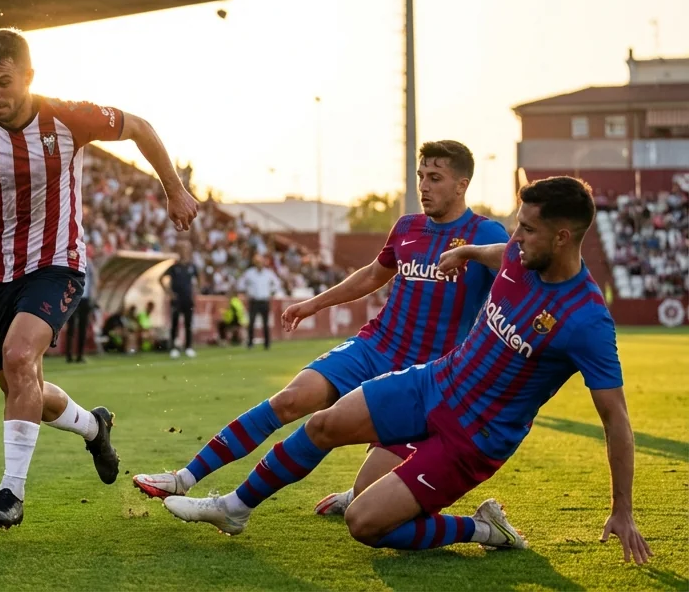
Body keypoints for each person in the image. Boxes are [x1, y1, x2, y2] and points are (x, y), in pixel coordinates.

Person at [162, 177, 653, 566]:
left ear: (562, 237)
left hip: (473, 438)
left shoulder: (586, 320)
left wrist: (623, 510)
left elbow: (617, 421)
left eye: (527, 228)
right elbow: (495, 253)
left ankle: (483, 528)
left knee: (364, 523)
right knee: (323, 424)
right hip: (434, 382)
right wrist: (464, 253)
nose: (516, 236)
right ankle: (234, 509)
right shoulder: (517, 254)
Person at [0, 27, 197, 528]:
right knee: (22, 387)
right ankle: (93, 427)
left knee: (20, 357)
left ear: (29, 76)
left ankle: (11, 494)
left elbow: (140, 127)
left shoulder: (67, 116)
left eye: (3, 82)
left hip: (57, 263)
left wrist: (174, 190)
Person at [136, 142, 506, 524]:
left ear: (461, 185)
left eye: (435, 178)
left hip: (425, 378)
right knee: (290, 400)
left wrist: (473, 253)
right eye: (421, 176)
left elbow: (521, 266)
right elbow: (372, 275)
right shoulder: (408, 227)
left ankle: (361, 496)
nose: (424, 186)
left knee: (368, 498)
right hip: (375, 347)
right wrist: (314, 304)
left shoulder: (484, 232)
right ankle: (184, 478)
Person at [161, 246, 199, 358]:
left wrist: (196, 291)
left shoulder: (191, 267)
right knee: (175, 323)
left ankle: (188, 347)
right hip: (177, 299)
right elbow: (161, 278)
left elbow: (199, 278)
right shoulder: (174, 267)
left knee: (188, 324)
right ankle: (173, 347)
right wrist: (170, 293)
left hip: (188, 299)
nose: (184, 254)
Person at [238, 255, 282, 349]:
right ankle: (250, 343)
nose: (259, 264)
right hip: (254, 300)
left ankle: (267, 343)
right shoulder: (249, 273)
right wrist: (247, 291)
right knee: (251, 322)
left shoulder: (268, 273)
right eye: (257, 262)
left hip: (264, 300)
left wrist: (271, 291)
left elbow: (277, 283)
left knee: (265, 323)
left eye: (261, 262)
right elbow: (241, 284)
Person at [65, 257, 97, 363]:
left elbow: (93, 281)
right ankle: (69, 355)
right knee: (71, 327)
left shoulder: (89, 263)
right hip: (73, 297)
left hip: (85, 299)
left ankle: (80, 355)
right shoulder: (73, 261)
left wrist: (93, 297)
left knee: (82, 328)